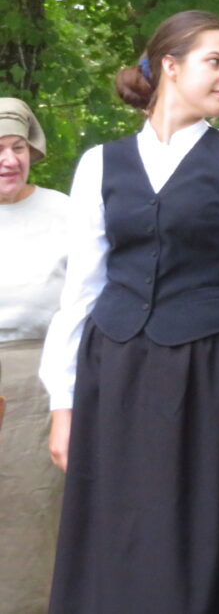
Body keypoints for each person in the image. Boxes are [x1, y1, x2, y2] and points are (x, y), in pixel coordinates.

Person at [38, 11, 219, 614]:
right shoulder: (101, 163)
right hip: (114, 374)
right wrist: (64, 405)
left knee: (191, 535)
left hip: (208, 376)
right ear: (170, 66)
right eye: (215, 62)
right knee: (113, 532)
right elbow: (81, 291)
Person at [0, 98, 69, 613]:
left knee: (33, 514)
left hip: (38, 385)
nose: (8, 160)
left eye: (17, 147)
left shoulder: (64, 213)